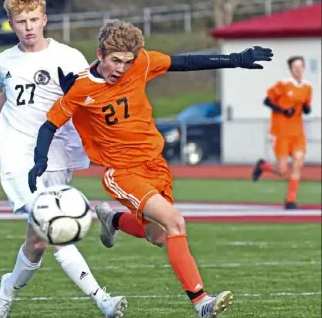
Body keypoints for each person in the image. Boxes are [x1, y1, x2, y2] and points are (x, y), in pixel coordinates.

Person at [28, 19, 273, 318]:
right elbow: (50, 123)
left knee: (158, 235)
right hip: (122, 172)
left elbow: (185, 62)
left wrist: (236, 60)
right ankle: (201, 302)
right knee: (175, 223)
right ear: (100, 53)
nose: (120, 68)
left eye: (126, 62)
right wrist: (39, 159)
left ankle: (114, 220)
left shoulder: (141, 63)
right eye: (115, 60)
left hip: (155, 165)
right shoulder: (81, 88)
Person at [0, 0, 127, 318]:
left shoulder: (67, 57)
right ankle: (103, 300)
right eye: (20, 21)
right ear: (11, 25)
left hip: (55, 152)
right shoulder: (4, 59)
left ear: (44, 19)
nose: (27, 27)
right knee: (54, 227)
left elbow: (86, 98)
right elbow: (8, 95)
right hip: (16, 155)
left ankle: (6, 292)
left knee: (37, 242)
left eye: (32, 20)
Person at [252, 56, 312, 209]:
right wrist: (283, 110)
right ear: (291, 70)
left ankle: (290, 200)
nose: (298, 70)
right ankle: (263, 166)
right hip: (281, 131)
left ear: (304, 68)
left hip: (297, 131)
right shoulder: (283, 85)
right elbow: (266, 100)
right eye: (295, 67)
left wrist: (307, 109)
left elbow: (306, 106)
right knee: (282, 170)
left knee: (298, 163)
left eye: (300, 67)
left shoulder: (307, 87)